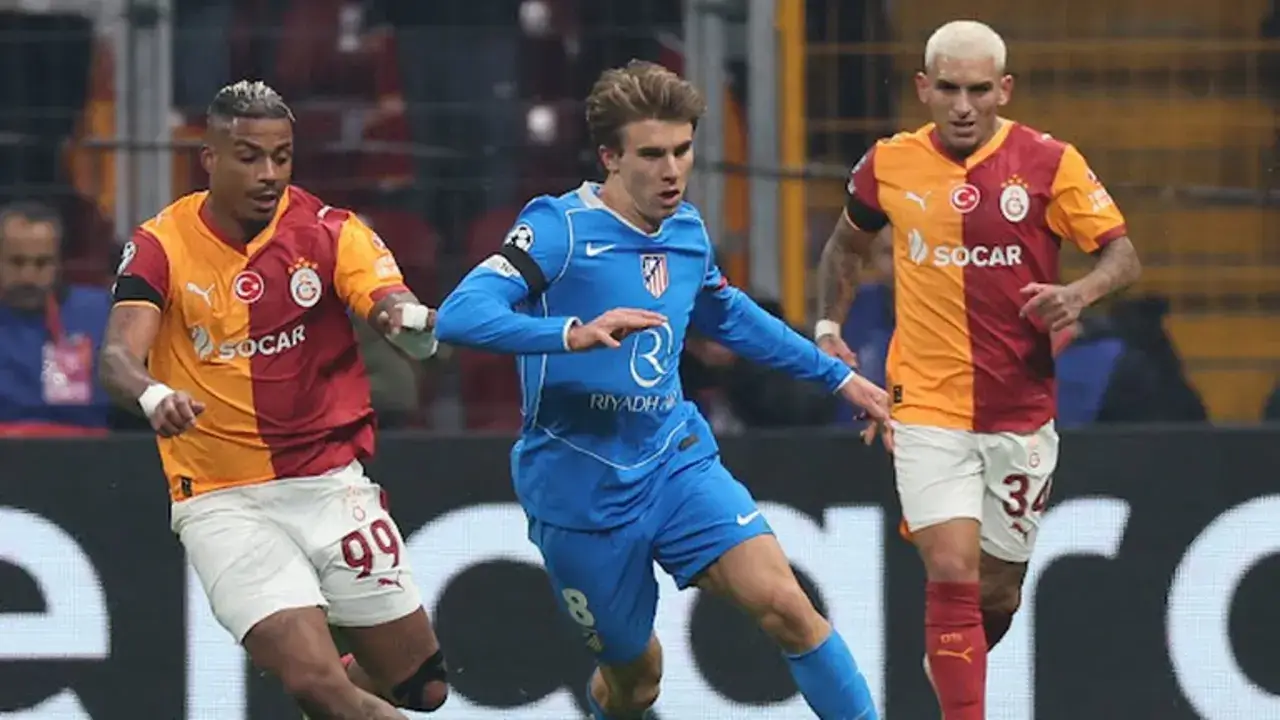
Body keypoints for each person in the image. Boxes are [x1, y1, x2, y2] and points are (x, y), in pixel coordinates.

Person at [434, 60, 889, 720]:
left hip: (675, 462)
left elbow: (728, 315)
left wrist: (838, 376)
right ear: (610, 157)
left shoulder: (686, 232)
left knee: (789, 606)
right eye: (652, 154)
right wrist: (571, 334)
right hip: (579, 490)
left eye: (682, 150)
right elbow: (459, 314)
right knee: (636, 679)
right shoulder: (559, 229)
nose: (673, 170)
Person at [812, 21, 1142, 719]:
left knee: (996, 593)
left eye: (979, 90)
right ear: (923, 88)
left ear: (1004, 90)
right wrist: (829, 330)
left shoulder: (1050, 163)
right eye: (949, 89)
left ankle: (953, 653)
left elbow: (1122, 255)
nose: (963, 106)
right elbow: (845, 246)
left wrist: (1079, 294)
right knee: (952, 570)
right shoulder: (889, 164)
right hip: (926, 405)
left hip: (1020, 410)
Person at [97, 80, 448, 719]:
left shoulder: (331, 231)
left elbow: (387, 301)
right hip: (222, 500)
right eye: (249, 157)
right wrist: (152, 394)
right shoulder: (161, 244)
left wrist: (408, 324)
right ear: (209, 158)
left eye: (281, 157)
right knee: (316, 684)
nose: (269, 174)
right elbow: (117, 357)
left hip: (328, 485)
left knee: (422, 688)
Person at [0, 200, 113, 436]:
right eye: (16, 262)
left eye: (42, 263)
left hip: (85, 452)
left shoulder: (98, 312)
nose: (28, 276)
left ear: (59, 263)